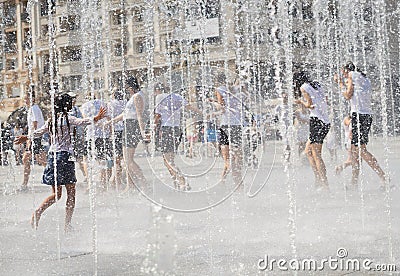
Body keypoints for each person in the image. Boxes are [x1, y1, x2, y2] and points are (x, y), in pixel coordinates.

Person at [14, 93, 107, 231]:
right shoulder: (69, 118)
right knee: (71, 192)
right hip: (65, 157)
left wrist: (26, 137)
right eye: (70, 102)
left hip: (52, 156)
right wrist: (97, 118)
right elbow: (83, 122)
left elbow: (39, 132)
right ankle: (67, 224)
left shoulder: (52, 120)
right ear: (66, 105)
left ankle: (37, 212)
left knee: (56, 194)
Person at [335, 62, 390, 190]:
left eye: (343, 72)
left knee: (361, 150)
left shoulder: (351, 76)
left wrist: (340, 83)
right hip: (366, 115)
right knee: (355, 151)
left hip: (358, 115)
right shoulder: (364, 78)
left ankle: (384, 177)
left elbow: (348, 95)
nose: (343, 74)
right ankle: (354, 183)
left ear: (346, 70)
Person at [106, 76, 148, 194]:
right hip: (128, 125)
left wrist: (143, 132)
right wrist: (110, 122)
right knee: (127, 159)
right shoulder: (134, 96)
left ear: (131, 87)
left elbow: (139, 115)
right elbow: (125, 114)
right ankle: (131, 186)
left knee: (128, 160)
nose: (127, 90)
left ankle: (144, 184)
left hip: (132, 126)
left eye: (127, 87)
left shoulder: (137, 96)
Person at [154, 87, 200, 191]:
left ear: (158, 90)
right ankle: (176, 182)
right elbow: (189, 107)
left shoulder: (159, 97)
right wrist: (201, 113)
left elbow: (158, 115)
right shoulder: (178, 96)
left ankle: (183, 182)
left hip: (167, 129)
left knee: (168, 161)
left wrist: (153, 126)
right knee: (169, 161)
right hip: (177, 130)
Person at [294, 71, 330, 190]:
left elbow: (309, 105)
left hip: (317, 121)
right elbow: (325, 100)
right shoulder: (317, 85)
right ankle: (318, 179)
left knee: (317, 154)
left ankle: (325, 185)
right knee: (308, 151)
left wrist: (300, 102)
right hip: (325, 121)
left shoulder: (303, 87)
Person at [213, 74, 245, 187]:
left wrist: (214, 103)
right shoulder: (237, 90)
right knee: (237, 157)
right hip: (237, 125)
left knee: (228, 159)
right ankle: (224, 180)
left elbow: (222, 108)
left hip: (226, 125)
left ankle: (236, 183)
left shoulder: (220, 89)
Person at [81, 93, 111, 192]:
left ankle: (90, 184)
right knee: (102, 159)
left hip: (90, 135)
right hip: (103, 135)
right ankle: (103, 184)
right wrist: (110, 132)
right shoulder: (104, 103)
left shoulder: (85, 106)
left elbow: (86, 120)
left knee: (86, 160)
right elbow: (108, 119)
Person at [19, 89, 47, 192]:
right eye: (24, 99)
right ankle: (25, 183)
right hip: (35, 137)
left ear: (33, 99)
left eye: (26, 98)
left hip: (35, 137)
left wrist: (30, 139)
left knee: (30, 159)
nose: (25, 100)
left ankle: (25, 184)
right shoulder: (33, 108)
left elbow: (35, 124)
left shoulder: (34, 109)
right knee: (37, 159)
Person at [107, 88, 127, 191]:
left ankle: (117, 182)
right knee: (123, 156)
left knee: (117, 158)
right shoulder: (125, 102)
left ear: (114, 95)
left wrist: (110, 133)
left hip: (115, 131)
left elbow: (109, 118)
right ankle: (116, 180)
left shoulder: (111, 104)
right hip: (125, 130)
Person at [68, 92, 88, 184]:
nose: (74, 100)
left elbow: (81, 123)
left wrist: (82, 135)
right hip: (68, 138)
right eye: (72, 98)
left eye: (75, 98)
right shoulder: (65, 110)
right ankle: (70, 176)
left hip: (77, 137)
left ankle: (85, 175)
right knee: (69, 159)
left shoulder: (76, 109)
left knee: (80, 158)